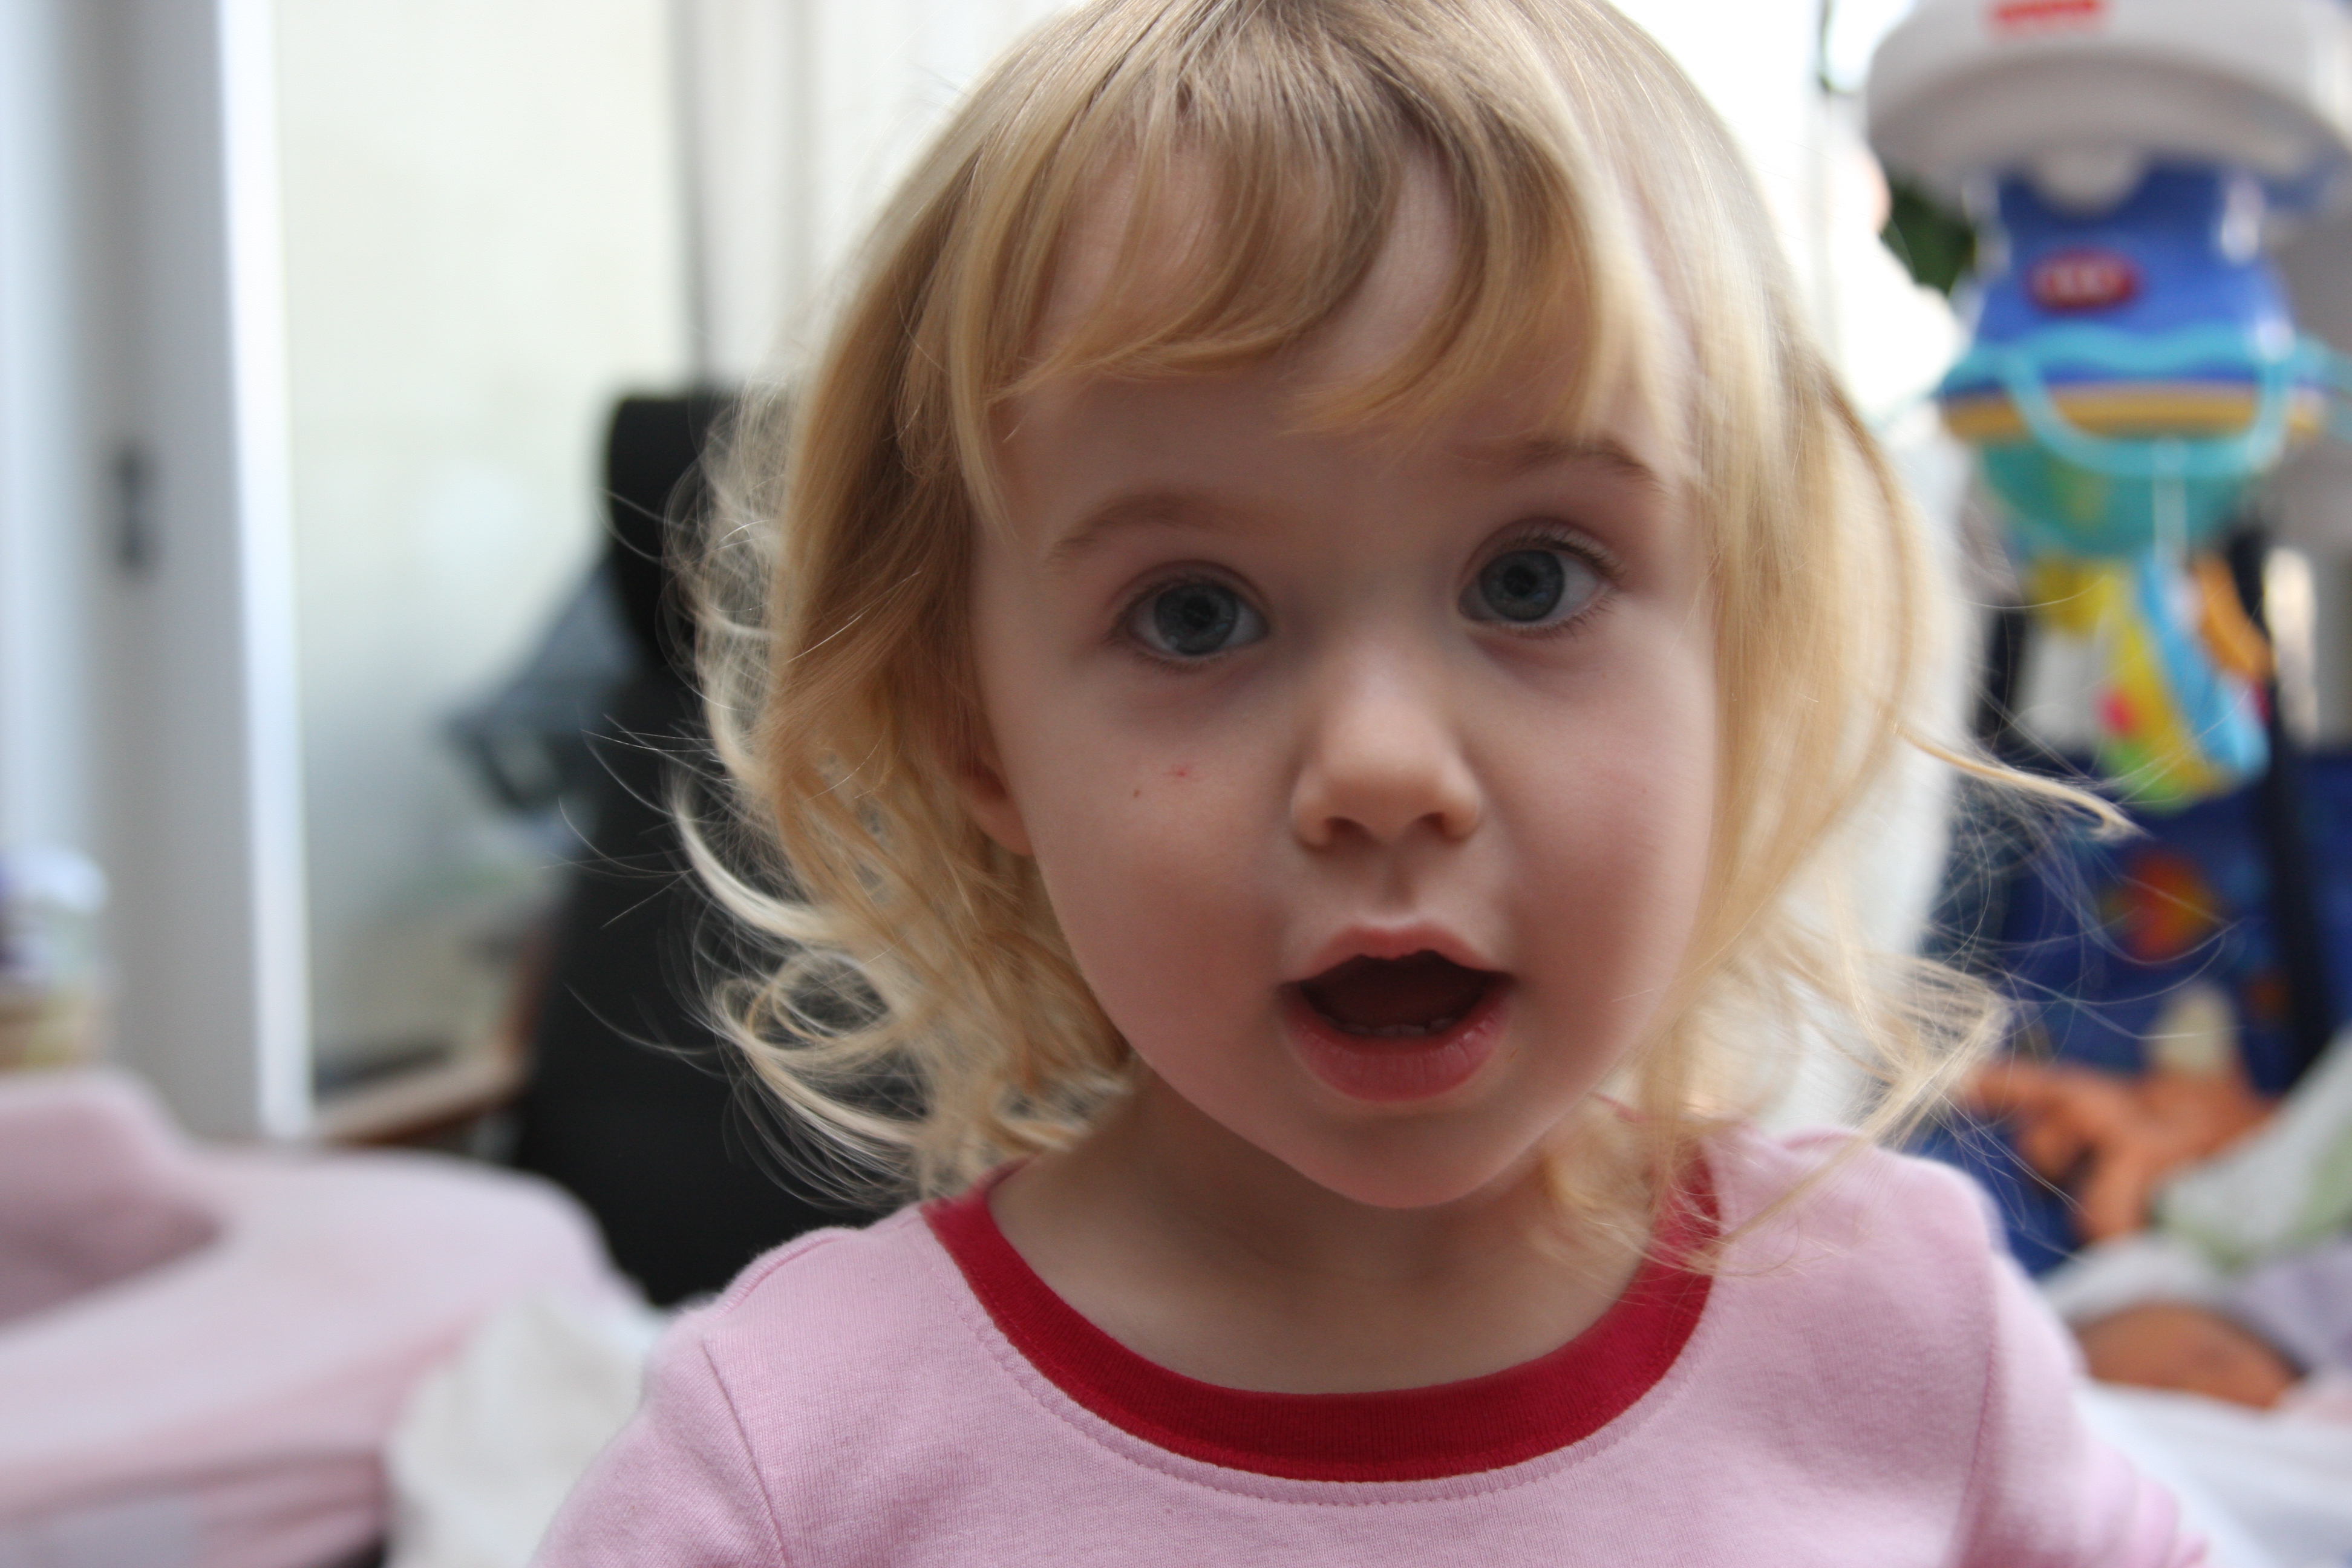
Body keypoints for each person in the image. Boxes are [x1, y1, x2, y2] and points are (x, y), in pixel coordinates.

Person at [536, 1, 2200, 1561]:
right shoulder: (792, 1459)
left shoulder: (1912, 1335)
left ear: (1739, 660)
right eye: (1194, 614)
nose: (1383, 770)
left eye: (1532, 580)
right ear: (979, 736)